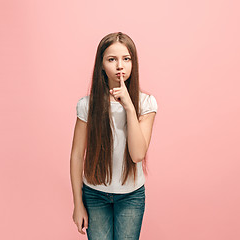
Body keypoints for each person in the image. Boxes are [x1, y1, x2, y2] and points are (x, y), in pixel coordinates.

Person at [70, 31, 158, 240]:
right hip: (94, 194)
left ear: (133, 63)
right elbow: (76, 155)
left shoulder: (146, 104)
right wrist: (77, 204)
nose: (120, 65)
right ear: (101, 64)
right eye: (112, 59)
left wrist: (128, 106)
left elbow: (137, 155)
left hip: (131, 197)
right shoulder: (87, 105)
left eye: (126, 59)